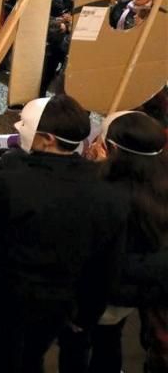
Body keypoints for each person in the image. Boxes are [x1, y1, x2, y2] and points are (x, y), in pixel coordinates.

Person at [0, 95, 126, 373]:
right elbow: (106, 262)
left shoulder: (6, 182)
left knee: (1, 359)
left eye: (25, 124)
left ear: (47, 139)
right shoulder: (107, 192)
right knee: (33, 357)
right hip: (64, 301)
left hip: (5, 297)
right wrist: (88, 314)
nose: (18, 127)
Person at [83, 110, 168, 373]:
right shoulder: (158, 188)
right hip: (148, 294)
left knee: (102, 342)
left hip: (108, 294)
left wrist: (93, 170)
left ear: (112, 150)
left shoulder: (106, 195)